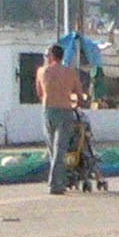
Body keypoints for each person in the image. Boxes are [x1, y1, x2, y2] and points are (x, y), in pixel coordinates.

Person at [36, 44, 90, 195]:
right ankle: (56, 182)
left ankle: (56, 182)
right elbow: (80, 96)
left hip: (48, 110)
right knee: (60, 149)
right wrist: (75, 103)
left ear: (52, 56)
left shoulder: (42, 71)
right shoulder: (71, 73)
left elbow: (39, 93)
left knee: (52, 149)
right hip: (65, 110)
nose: (46, 58)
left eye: (47, 56)